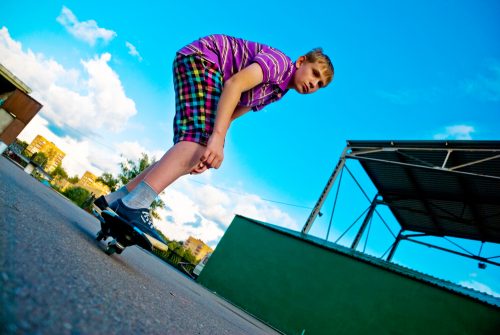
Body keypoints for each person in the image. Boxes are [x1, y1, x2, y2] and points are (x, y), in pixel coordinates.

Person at [94, 34, 334, 249]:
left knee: (196, 146)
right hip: (204, 60)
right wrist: (212, 140)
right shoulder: (279, 64)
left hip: (203, 67)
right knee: (198, 141)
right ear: (301, 61)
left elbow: (229, 114)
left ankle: (117, 199)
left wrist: (212, 145)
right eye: (315, 74)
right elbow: (234, 85)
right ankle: (135, 204)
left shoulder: (276, 92)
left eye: (320, 85)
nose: (314, 84)